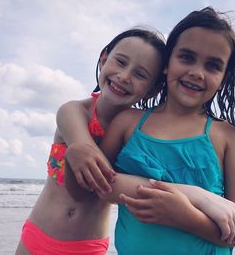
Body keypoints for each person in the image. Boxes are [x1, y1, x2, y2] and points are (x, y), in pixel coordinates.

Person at [96, 6, 235, 254]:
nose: (196, 72)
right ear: (166, 63)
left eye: (213, 66)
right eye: (186, 57)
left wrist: (185, 216)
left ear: (224, 77)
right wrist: (191, 196)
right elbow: (95, 184)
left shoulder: (229, 137)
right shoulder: (128, 122)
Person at [15, 28, 168, 255]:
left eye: (140, 74)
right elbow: (87, 157)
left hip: (86, 247)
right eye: (121, 62)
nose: (124, 76)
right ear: (104, 59)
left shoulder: (139, 133)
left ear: (152, 90)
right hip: (37, 236)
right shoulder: (73, 111)